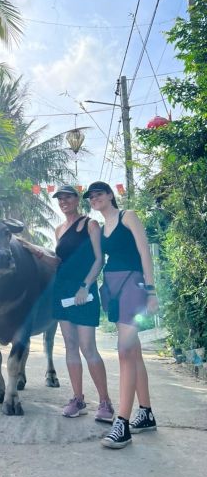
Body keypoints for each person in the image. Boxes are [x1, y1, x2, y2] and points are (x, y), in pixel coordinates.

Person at [85, 181, 159, 449]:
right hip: (113, 287)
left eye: (99, 194)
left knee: (125, 351)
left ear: (110, 196)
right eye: (91, 196)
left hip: (133, 284)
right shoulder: (101, 228)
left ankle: (123, 424)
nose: (95, 198)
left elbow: (144, 253)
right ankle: (146, 412)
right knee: (134, 351)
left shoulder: (129, 216)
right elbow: (97, 260)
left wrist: (151, 291)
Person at [50, 185, 114, 423]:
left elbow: (99, 259)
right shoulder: (58, 230)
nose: (64, 201)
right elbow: (60, 261)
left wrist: (85, 286)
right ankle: (78, 399)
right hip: (62, 291)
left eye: (68, 197)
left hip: (83, 291)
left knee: (88, 347)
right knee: (69, 345)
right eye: (60, 198)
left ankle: (105, 401)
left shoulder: (90, 224)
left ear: (77, 199)